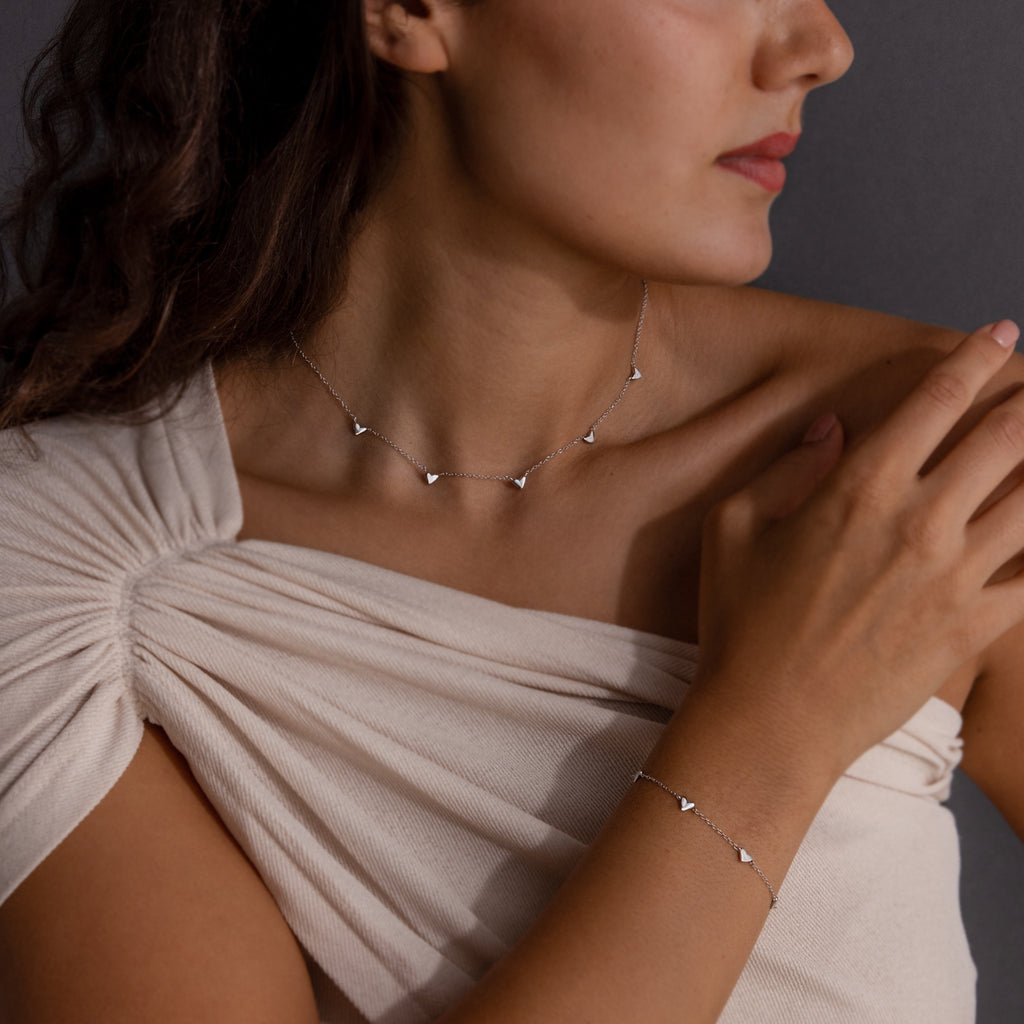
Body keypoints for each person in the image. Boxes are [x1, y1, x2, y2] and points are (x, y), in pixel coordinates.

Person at [0, 0, 1022, 1021]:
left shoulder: (925, 464)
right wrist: (775, 726)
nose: (820, 48)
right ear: (408, 11)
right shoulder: (78, 564)